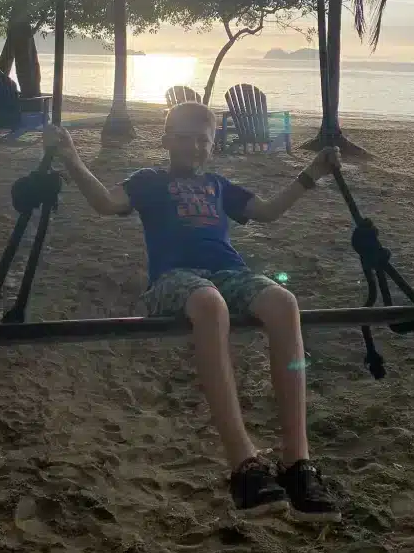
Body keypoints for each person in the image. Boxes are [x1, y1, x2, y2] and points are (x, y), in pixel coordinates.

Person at [43, 100, 342, 523]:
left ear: (212, 146)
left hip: (228, 270)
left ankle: (297, 462)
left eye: (202, 141)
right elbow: (106, 204)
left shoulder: (220, 185)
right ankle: (243, 462)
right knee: (209, 304)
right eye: (183, 138)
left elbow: (270, 212)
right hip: (174, 278)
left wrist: (312, 174)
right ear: (165, 140)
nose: (194, 147)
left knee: (283, 302)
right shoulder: (149, 180)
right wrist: (70, 157)